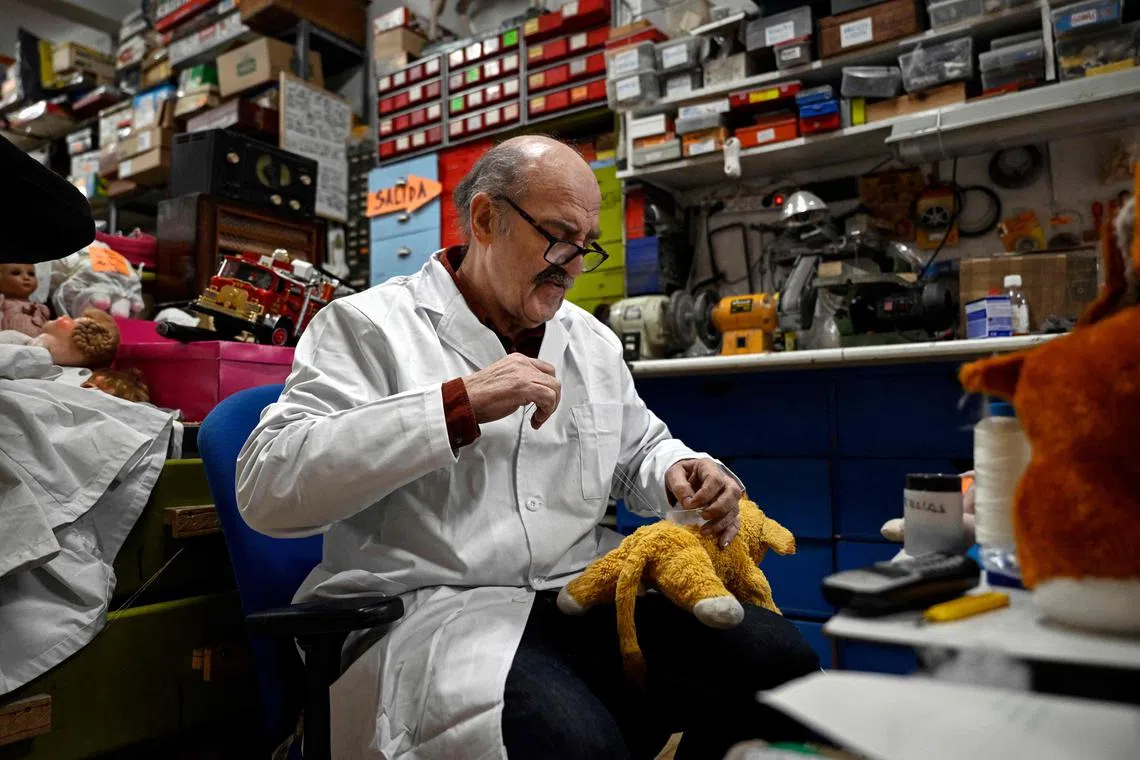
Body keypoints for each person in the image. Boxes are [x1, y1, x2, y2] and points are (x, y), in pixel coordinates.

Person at [236, 136, 819, 760]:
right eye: (558, 235)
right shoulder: (367, 326)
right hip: (433, 612)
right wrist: (452, 406)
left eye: (585, 244)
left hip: (576, 594)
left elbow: (639, 445)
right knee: (572, 740)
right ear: (487, 218)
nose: (571, 262)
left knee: (783, 667)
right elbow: (267, 487)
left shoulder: (588, 340)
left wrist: (678, 469)